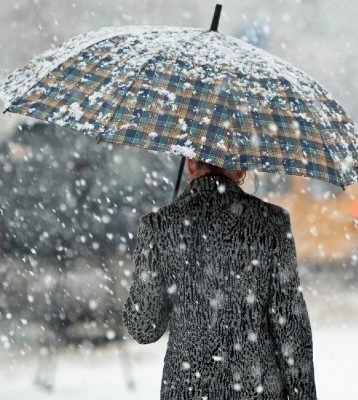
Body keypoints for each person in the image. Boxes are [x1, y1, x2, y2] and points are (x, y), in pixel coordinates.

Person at [123, 159, 317, 400]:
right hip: (257, 390)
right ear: (240, 170)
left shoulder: (157, 226)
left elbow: (144, 328)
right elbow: (291, 329)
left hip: (187, 390)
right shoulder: (271, 223)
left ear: (191, 165)